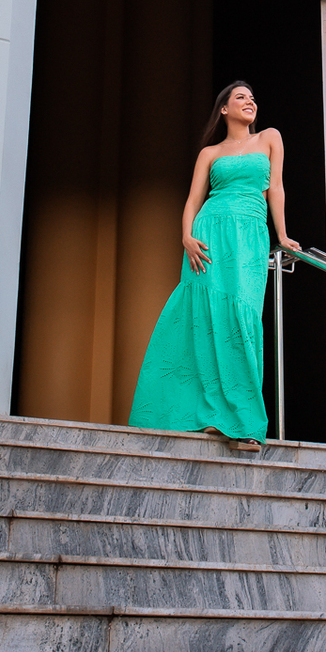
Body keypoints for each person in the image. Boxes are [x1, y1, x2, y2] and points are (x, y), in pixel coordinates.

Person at [129, 81, 300, 451]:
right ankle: (211, 415)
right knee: (206, 322)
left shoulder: (269, 138)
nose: (249, 101)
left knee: (242, 320)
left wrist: (283, 235)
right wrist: (186, 236)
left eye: (252, 97)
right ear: (224, 109)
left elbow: (276, 188)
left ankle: (244, 421)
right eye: (240, 97)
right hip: (207, 236)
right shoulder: (210, 152)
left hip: (249, 234)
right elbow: (193, 200)